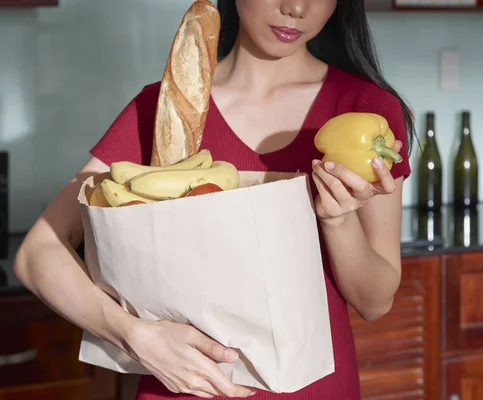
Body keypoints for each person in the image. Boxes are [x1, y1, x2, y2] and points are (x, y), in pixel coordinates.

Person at [13, 0, 414, 398]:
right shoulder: (161, 109)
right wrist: (134, 336)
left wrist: (337, 220)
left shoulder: (367, 112)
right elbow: (36, 255)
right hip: (178, 390)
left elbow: (375, 301)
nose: (296, 7)